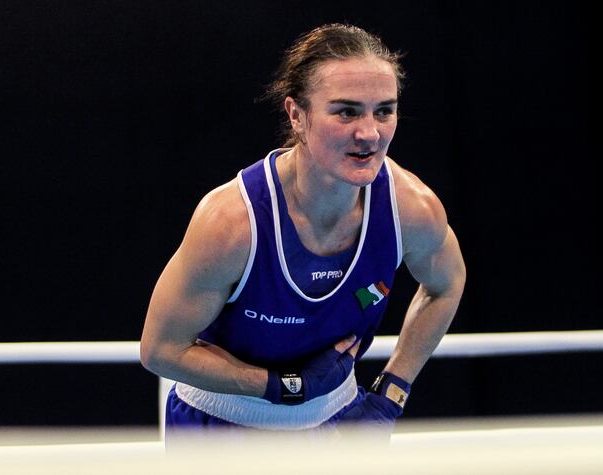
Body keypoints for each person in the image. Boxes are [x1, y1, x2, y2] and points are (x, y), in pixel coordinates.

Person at [140, 24, 466, 437]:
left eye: (384, 111)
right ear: (297, 115)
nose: (370, 133)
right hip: (218, 424)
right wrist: (281, 387)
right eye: (346, 111)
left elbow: (447, 284)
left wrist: (391, 393)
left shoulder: (411, 208)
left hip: (338, 417)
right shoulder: (232, 223)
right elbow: (160, 350)